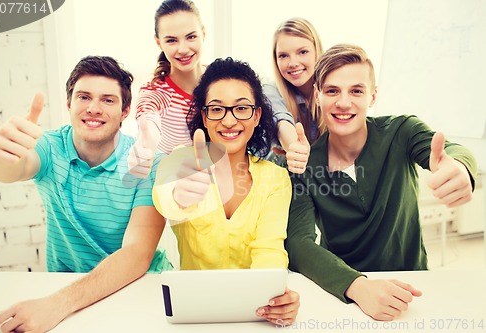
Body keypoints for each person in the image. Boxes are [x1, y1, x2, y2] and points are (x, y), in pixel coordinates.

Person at [286, 44, 477, 321]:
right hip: (345, 294)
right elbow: (298, 244)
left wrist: (460, 167)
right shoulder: (302, 165)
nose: (343, 102)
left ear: (373, 96)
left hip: (412, 288)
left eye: (356, 90)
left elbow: (453, 152)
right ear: (317, 96)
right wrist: (358, 287)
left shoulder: (402, 132)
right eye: (332, 91)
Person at [0, 56, 171, 333]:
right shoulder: (49, 147)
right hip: (66, 289)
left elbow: (137, 254)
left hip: (140, 285)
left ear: (125, 111)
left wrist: (57, 305)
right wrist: (0, 159)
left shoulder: (147, 162)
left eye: (108, 100)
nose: (94, 108)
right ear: (69, 104)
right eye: (84, 97)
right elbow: (15, 169)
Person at [153, 57, 300, 325]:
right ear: (204, 117)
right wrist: (179, 196)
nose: (230, 121)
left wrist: (276, 299)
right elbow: (164, 199)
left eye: (242, 108)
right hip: (193, 311)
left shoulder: (276, 178)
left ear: (256, 116)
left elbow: (270, 249)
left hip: (254, 313)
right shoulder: (181, 162)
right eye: (217, 109)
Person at [127, 0, 206, 178]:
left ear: (203, 34)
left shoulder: (220, 80)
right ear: (159, 43)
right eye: (171, 40)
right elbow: (148, 117)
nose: (183, 49)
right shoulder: (156, 92)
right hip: (178, 190)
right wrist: (145, 145)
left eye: (191, 37)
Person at [263, 18, 324, 174]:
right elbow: (281, 121)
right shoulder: (270, 90)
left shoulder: (333, 89)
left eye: (302, 52)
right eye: (283, 56)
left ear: (317, 50)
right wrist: (295, 147)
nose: (293, 63)